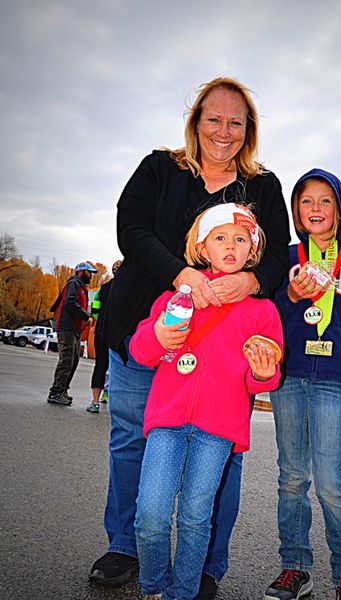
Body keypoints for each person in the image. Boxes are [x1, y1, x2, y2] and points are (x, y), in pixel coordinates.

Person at [89, 76, 290, 599]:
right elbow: (130, 229)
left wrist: (251, 280)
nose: (223, 131)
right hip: (148, 322)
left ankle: (203, 566)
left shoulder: (262, 186)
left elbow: (275, 259)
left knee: (220, 457)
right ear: (195, 121)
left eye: (236, 122)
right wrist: (182, 275)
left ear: (249, 131)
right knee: (134, 438)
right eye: (213, 119)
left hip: (223, 349)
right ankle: (127, 545)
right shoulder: (159, 166)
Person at [130, 202, 284, 600]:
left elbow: (261, 377)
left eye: (240, 239)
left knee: (197, 518)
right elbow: (141, 350)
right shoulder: (174, 299)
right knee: (150, 515)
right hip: (167, 421)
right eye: (220, 238)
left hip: (217, 430)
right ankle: (152, 586)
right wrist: (158, 338)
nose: (230, 246)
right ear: (202, 248)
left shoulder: (263, 311)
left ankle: (181, 594)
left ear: (253, 251)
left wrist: (264, 373)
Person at [264, 169, 341, 600]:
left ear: (339, 208)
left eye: (325, 200)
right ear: (297, 211)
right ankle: (295, 568)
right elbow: (268, 315)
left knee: (331, 480)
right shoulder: (286, 257)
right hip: (290, 377)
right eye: (306, 201)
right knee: (292, 477)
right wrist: (293, 297)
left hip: (333, 378)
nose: (315, 208)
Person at [47, 261, 97, 406]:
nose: (91, 276)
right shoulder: (74, 283)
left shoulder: (82, 287)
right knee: (66, 360)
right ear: (81, 272)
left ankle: (63, 390)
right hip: (66, 327)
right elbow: (70, 303)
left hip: (75, 329)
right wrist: (85, 316)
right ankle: (55, 392)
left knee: (74, 361)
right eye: (89, 272)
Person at [86, 260, 123, 413]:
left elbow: (94, 309)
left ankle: (95, 402)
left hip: (101, 331)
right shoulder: (128, 289)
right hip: (119, 332)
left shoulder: (104, 288)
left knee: (100, 366)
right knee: (119, 367)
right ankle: (110, 397)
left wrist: (99, 318)